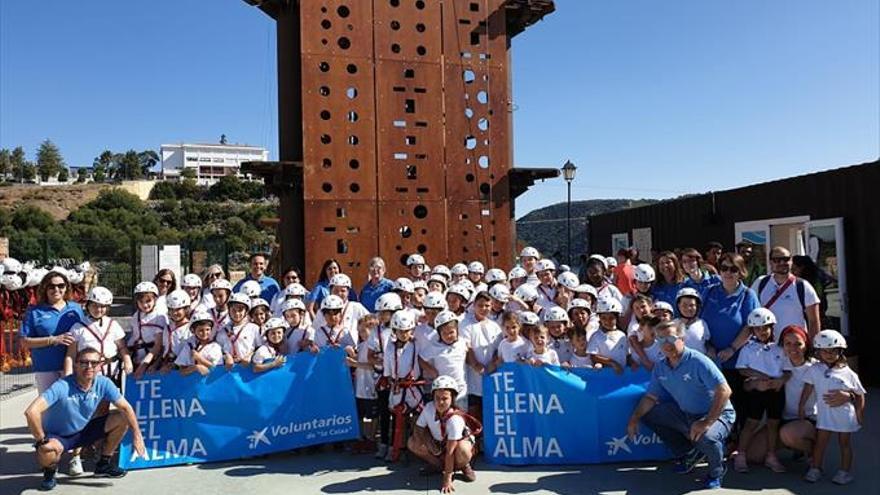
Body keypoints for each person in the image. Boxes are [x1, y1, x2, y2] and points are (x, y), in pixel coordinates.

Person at [627, 320, 735, 490]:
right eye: (661, 340)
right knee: (649, 415)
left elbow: (724, 391)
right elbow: (650, 397)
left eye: (670, 338)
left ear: (682, 338)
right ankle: (689, 453)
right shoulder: (661, 367)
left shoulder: (698, 361)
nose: (666, 344)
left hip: (718, 414)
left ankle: (717, 471)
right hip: (687, 414)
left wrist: (706, 422)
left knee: (707, 437)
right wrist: (634, 419)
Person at [25, 347, 146, 491]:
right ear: (76, 364)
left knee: (121, 418)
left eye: (94, 363)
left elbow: (126, 408)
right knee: (47, 450)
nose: (89, 367)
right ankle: (49, 473)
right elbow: (31, 412)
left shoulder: (104, 383)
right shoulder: (62, 386)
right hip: (59, 436)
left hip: (84, 431)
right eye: (84, 362)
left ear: (100, 366)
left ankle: (103, 464)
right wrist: (41, 440)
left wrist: (137, 436)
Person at [703, 252, 760, 434]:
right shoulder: (710, 291)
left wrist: (732, 348)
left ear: (741, 272)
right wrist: (708, 345)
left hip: (737, 361)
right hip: (712, 359)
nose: (728, 272)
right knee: (713, 403)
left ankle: (735, 442)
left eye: (733, 269)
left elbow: (751, 325)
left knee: (737, 404)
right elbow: (697, 319)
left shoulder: (747, 294)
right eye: (724, 268)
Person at [801, 330, 865, 485]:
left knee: (844, 444)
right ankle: (815, 468)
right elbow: (808, 389)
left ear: (841, 351)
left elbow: (860, 395)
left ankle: (844, 472)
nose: (829, 354)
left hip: (845, 415)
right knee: (820, 442)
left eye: (833, 351)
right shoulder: (814, 370)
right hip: (825, 415)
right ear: (818, 352)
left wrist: (859, 413)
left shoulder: (849, 374)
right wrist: (801, 406)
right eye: (825, 351)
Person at [733, 308, 787, 473]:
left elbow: (787, 369)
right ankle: (740, 455)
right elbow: (742, 369)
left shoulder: (779, 348)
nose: (762, 331)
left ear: (772, 327)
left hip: (776, 391)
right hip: (757, 390)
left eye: (765, 327)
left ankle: (771, 456)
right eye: (757, 328)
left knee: (773, 424)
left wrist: (780, 380)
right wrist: (760, 376)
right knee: (751, 422)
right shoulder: (748, 348)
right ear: (752, 330)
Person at [408, 376, 478, 493]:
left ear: (453, 399)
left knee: (463, 450)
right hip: (439, 444)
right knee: (412, 443)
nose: (440, 402)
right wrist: (427, 442)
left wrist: (447, 479)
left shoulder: (455, 419)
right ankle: (437, 466)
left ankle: (463, 466)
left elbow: (450, 451)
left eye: (445, 398)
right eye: (437, 398)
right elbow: (418, 428)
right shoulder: (429, 408)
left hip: (454, 447)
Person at [19, 270, 85, 393]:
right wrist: (53, 340)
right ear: (44, 288)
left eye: (61, 286)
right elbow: (24, 341)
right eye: (51, 286)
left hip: (76, 367)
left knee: (73, 406)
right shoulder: (34, 312)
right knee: (49, 409)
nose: (56, 289)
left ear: (66, 287)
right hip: (46, 368)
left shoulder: (76, 309)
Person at [64, 287, 132, 385]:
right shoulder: (77, 328)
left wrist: (127, 361)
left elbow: (122, 347)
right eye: (94, 305)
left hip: (110, 373)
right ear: (88, 305)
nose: (98, 309)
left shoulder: (113, 324)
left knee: (108, 399)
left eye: (102, 306)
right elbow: (70, 355)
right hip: (87, 373)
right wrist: (68, 375)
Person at [750, 246, 821, 339]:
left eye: (786, 259)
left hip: (794, 347)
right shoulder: (760, 283)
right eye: (777, 260)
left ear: (791, 261)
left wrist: (812, 348)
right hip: (767, 347)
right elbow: (750, 313)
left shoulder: (803, 286)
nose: (782, 263)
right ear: (770, 262)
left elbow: (814, 321)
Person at [420, 310, 469, 410]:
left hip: (460, 388)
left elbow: (469, 352)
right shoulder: (434, 347)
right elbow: (421, 359)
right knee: (443, 415)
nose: (448, 336)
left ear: (457, 330)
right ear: (439, 333)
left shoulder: (462, 343)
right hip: (442, 389)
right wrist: (432, 371)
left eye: (451, 332)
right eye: (444, 333)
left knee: (461, 415)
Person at [128, 282, 167, 378]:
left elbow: (158, 346)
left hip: (152, 362)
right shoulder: (135, 316)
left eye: (148, 301)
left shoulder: (159, 317)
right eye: (141, 302)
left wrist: (144, 365)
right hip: (137, 359)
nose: (145, 305)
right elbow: (134, 338)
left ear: (155, 299)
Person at [216, 293, 261, 368]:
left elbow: (260, 347)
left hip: (248, 369)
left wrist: (250, 355)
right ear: (229, 310)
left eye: (240, 310)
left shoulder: (254, 328)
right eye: (233, 310)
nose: (237, 313)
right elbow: (218, 351)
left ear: (246, 311)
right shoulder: (222, 331)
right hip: (230, 370)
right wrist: (226, 356)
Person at [175, 310, 224, 376]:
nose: (204, 333)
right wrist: (195, 367)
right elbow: (181, 371)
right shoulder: (189, 346)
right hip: (192, 384)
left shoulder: (215, 346)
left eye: (207, 329)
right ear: (193, 330)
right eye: (201, 330)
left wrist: (200, 359)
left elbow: (217, 369)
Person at [587, 298, 627, 374]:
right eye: (603, 318)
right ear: (599, 319)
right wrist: (612, 363)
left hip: (621, 375)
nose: (607, 321)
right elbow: (593, 356)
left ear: (617, 317)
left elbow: (627, 355)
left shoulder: (622, 335)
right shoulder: (596, 336)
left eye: (611, 318)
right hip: (605, 376)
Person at [674, 288, 712, 356]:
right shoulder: (673, 324)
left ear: (697, 306)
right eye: (684, 305)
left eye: (692, 305)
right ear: (679, 306)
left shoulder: (702, 324)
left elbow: (707, 343)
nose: (688, 308)